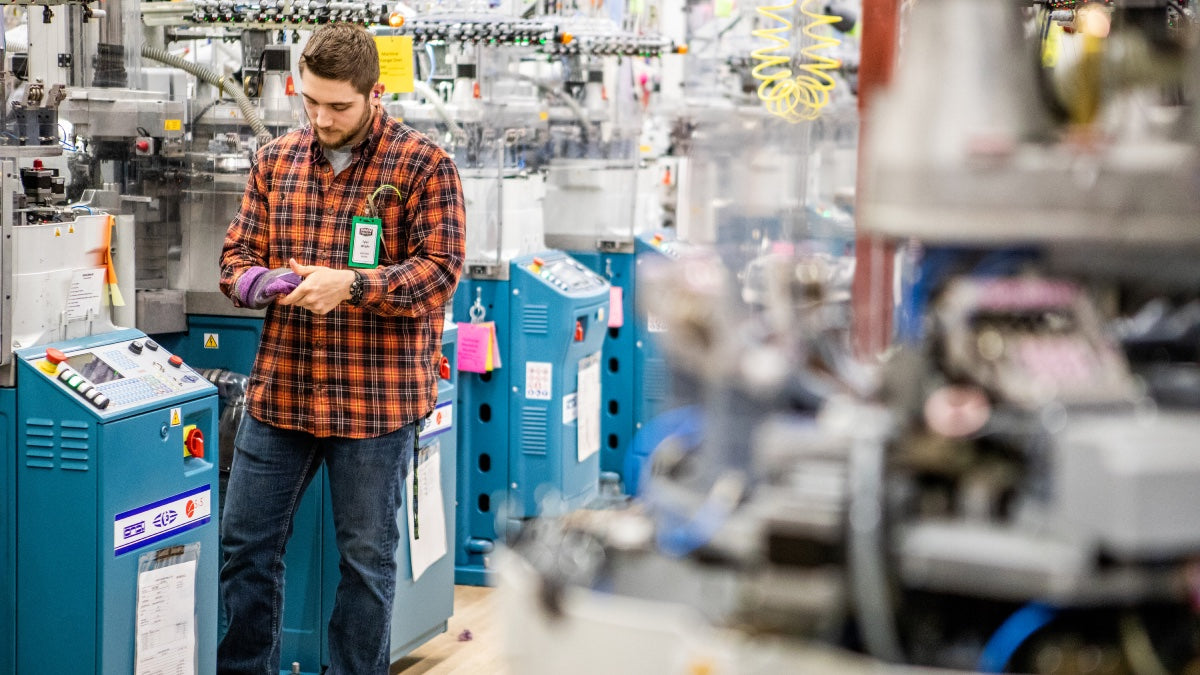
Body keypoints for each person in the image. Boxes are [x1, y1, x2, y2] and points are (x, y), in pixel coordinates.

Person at [217, 22, 465, 675]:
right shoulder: (275, 160)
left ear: (375, 92)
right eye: (309, 102)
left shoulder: (423, 165)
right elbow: (234, 259)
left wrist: (353, 285)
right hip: (282, 392)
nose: (321, 119)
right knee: (244, 546)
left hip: (375, 401)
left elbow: (439, 271)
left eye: (338, 106)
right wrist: (264, 281)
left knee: (365, 563)